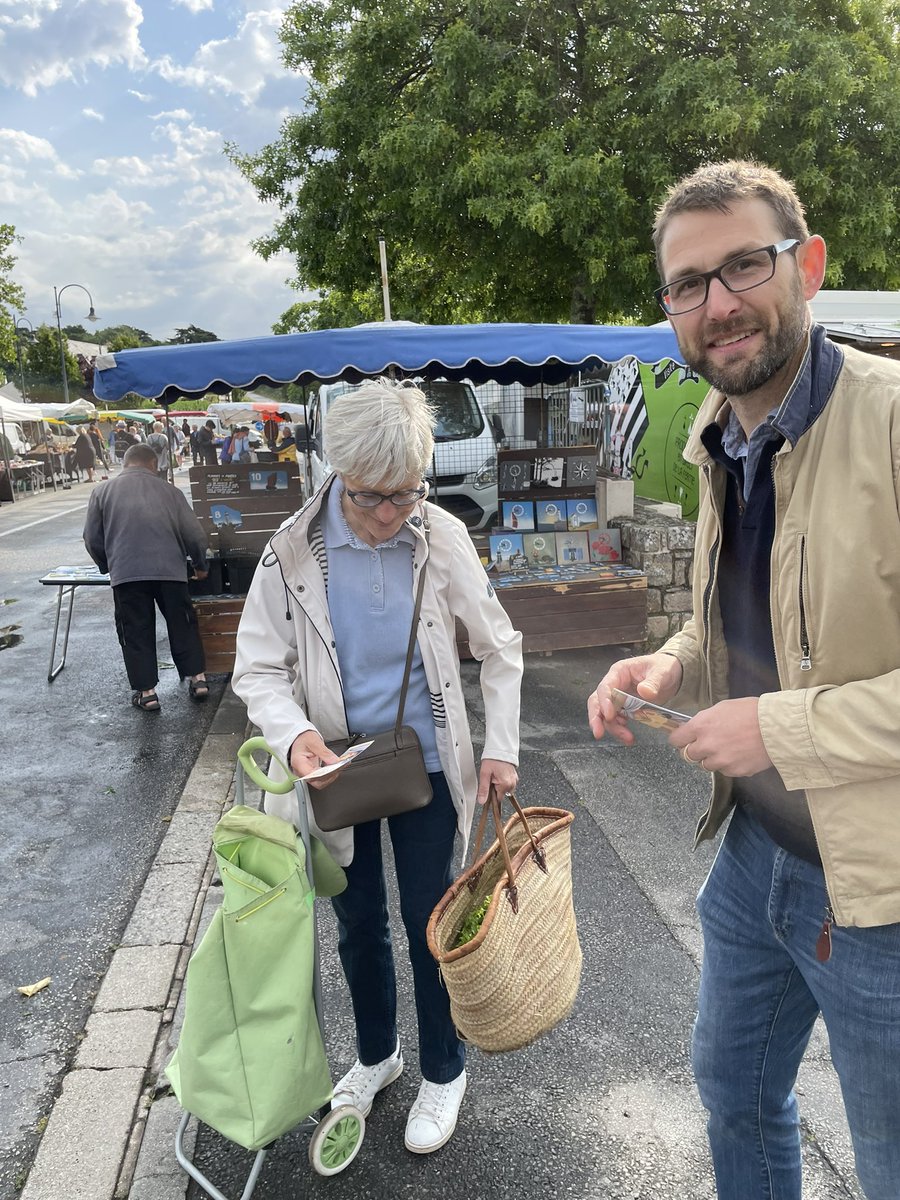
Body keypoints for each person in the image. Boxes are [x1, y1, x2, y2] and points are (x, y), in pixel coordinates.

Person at [587, 160, 900, 1200]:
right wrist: (672, 659)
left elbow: (782, 701)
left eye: (743, 266)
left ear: (807, 266)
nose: (718, 303)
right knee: (734, 1096)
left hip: (881, 892)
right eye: (688, 283)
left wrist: (777, 728)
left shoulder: (892, 422)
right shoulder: (721, 435)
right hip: (754, 853)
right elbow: (740, 612)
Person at [232, 378, 523, 1155]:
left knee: (431, 922)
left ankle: (444, 1070)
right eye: (371, 497)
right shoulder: (292, 549)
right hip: (335, 770)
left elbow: (500, 647)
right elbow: (256, 667)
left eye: (407, 493)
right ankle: (376, 1055)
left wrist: (500, 747)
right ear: (336, 473)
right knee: (356, 923)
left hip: (424, 765)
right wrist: (295, 733)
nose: (391, 514)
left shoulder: (439, 534)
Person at [83, 443, 211, 711]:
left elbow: (92, 538)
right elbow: (194, 533)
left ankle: (148, 693)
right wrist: (200, 565)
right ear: (153, 463)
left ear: (125, 462)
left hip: (127, 573)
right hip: (171, 571)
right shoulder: (170, 491)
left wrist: (108, 565)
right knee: (183, 623)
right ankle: (198, 680)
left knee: (135, 630)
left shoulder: (102, 492)